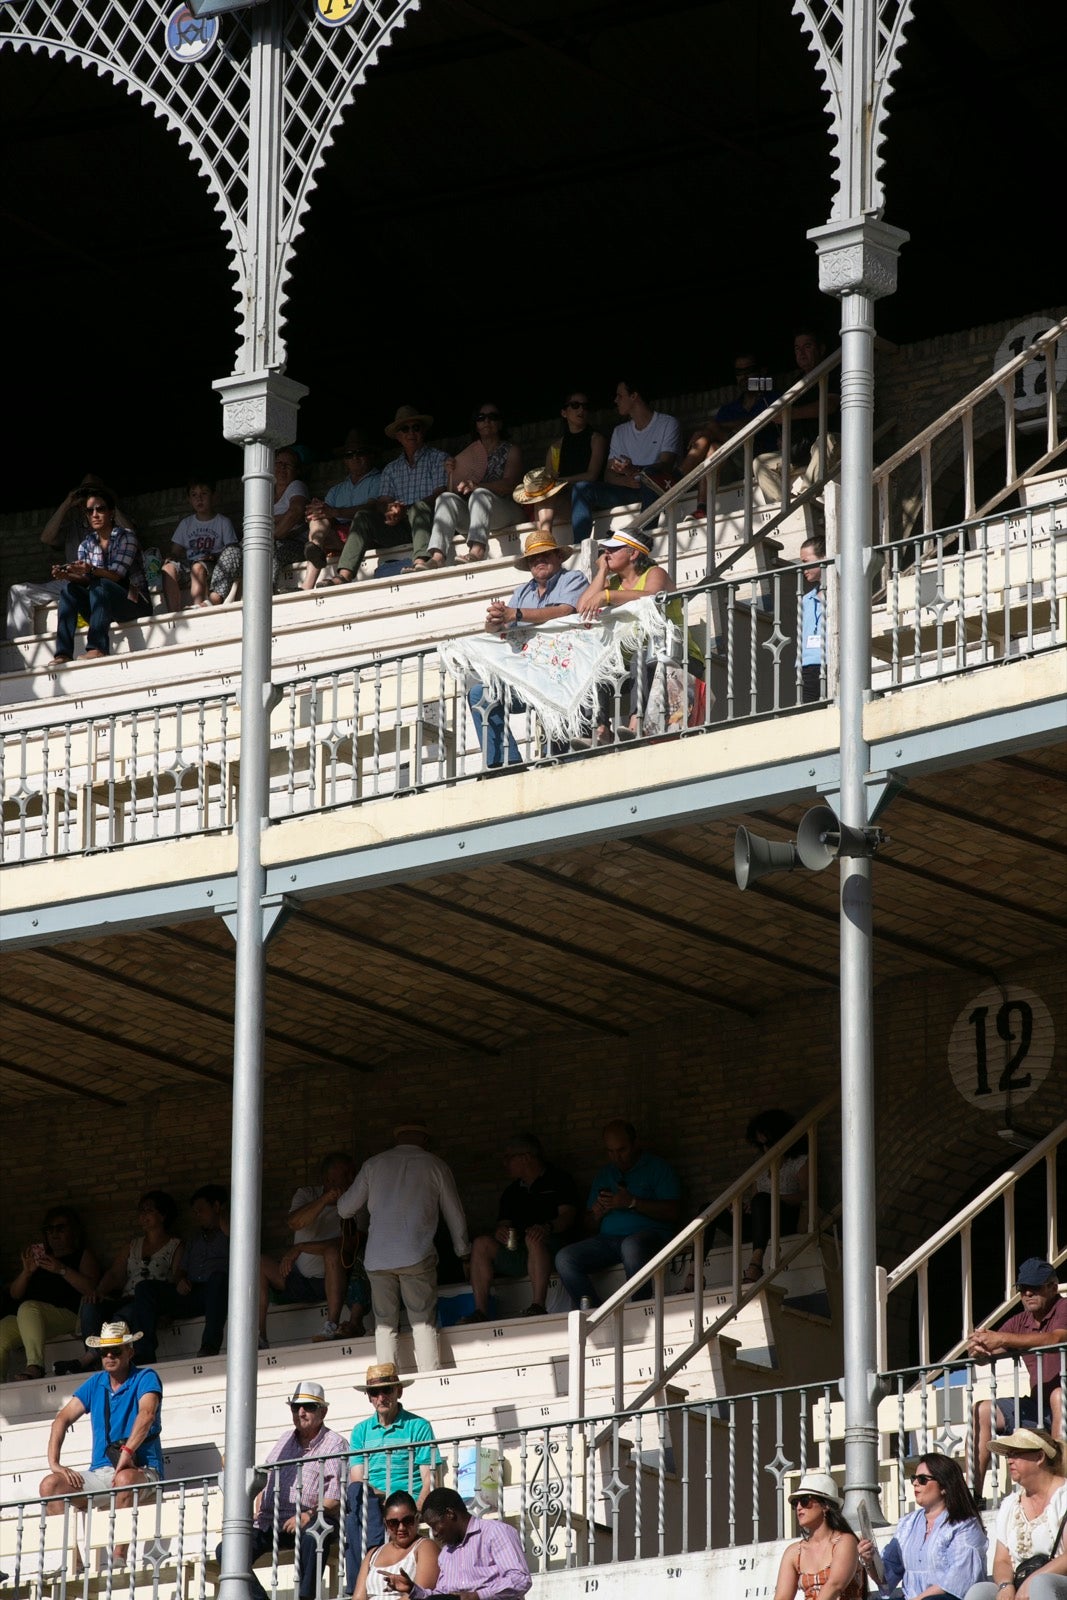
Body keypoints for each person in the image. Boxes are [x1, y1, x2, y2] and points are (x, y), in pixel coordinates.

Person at [337, 1124, 470, 1373]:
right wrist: (463, 1252)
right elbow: (455, 1214)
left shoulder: (373, 1165)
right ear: (424, 1139)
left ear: (397, 1138)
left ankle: (387, 1384)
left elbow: (344, 1208)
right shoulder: (435, 1165)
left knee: (385, 1325)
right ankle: (430, 1377)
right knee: (422, 1322)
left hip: (378, 1259)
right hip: (416, 1255)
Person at [465, 528, 589, 769]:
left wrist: (516, 613)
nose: (538, 561)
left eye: (544, 556)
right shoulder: (522, 592)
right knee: (479, 694)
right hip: (528, 673)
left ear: (559, 557)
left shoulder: (573, 579)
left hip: (563, 671)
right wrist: (493, 622)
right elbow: (504, 625)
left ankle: (558, 757)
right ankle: (504, 764)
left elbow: (565, 611)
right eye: (533, 558)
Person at [216, 1380, 346, 1600]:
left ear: (323, 1412)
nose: (301, 1412)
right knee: (226, 1550)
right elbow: (266, 1476)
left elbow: (336, 1497)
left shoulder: (335, 1444)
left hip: (313, 1519)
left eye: (309, 1407)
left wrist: (307, 1515)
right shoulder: (286, 1438)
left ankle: (306, 1598)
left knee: (314, 1534)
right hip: (271, 1521)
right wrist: (259, 1504)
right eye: (296, 1407)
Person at [576, 526, 704, 745]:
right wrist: (602, 574)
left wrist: (608, 595)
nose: (607, 554)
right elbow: (582, 607)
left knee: (640, 656)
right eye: (606, 550)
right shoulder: (613, 583)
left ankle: (636, 723)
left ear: (633, 553)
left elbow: (650, 595)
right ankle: (600, 730)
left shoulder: (655, 573)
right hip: (633, 665)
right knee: (595, 667)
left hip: (675, 656)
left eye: (614, 549)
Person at [38, 1320, 163, 1515]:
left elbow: (146, 1415)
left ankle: (117, 1548)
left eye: (116, 1350)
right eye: (105, 1352)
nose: (109, 1356)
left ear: (130, 1352)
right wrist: (55, 1464)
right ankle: (64, 1547)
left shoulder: (146, 1376)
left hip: (143, 1469)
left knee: (124, 1480)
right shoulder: (95, 1382)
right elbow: (61, 1419)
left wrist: (127, 1453)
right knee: (50, 1485)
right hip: (100, 1473)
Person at [555, 1119, 681, 1310]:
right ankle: (597, 1313)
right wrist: (596, 1214)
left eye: (622, 1150)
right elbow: (589, 1225)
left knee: (631, 1246)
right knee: (564, 1257)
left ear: (635, 1144)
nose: (616, 1157)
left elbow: (674, 1212)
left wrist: (632, 1202)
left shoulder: (657, 1167)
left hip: (648, 1236)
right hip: (608, 1240)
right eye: (610, 1151)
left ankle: (639, 1310)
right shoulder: (605, 1174)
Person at [968, 1260, 1066, 1500]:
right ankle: (971, 1498)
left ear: (1053, 1287)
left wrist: (1000, 1339)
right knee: (982, 1410)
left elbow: (1055, 1338)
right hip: (1038, 1408)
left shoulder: (1064, 1307)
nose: (1028, 1293)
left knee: (1058, 1396)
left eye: (1035, 1287)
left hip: (1062, 1402)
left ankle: (1059, 1488)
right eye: (1023, 1289)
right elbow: (992, 1349)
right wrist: (979, 1350)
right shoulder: (1020, 1321)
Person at [57, 1190, 182, 1375]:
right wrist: (98, 1292)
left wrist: (168, 1312)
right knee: (91, 1306)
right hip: (125, 1299)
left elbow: (177, 1277)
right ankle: (94, 1360)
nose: (143, 1215)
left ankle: (90, 1358)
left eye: (149, 1210)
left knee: (122, 1316)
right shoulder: (133, 1245)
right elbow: (115, 1274)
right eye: (141, 1211)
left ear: (163, 1215)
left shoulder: (176, 1245)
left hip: (149, 1303)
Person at [461, 1134, 580, 1322]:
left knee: (533, 1238)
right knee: (481, 1243)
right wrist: (500, 1232)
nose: (505, 1163)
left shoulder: (559, 1179)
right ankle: (480, 1312)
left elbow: (568, 1216)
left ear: (526, 1157)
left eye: (509, 1158)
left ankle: (538, 1305)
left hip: (552, 1246)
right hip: (519, 1251)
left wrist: (547, 1227)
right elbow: (504, 1223)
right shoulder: (512, 1192)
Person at [343, 1360, 438, 1589]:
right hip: (374, 1501)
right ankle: (373, 1555)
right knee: (355, 1497)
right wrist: (381, 1495)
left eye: (386, 1390)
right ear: (369, 1397)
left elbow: (430, 1478)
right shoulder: (360, 1431)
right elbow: (358, 1479)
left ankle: (362, 1577)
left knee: (353, 1517)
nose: (381, 1397)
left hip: (406, 1501)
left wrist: (416, 1507)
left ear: (399, 1391)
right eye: (374, 1392)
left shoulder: (419, 1426)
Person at [6, 473, 135, 641]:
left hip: (103, 581)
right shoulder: (72, 527)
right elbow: (46, 538)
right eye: (85, 494)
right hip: (72, 580)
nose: (90, 499)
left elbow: (132, 533)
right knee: (18, 592)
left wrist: (107, 503)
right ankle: (21, 650)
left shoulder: (115, 526)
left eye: (94, 493)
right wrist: (68, 503)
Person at [329, 406, 449, 582]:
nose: (410, 433)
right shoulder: (391, 469)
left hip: (430, 524)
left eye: (415, 427)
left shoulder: (439, 458)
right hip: (398, 528)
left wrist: (405, 510)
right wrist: (391, 511)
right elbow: (383, 502)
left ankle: (420, 561)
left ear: (423, 431)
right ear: (398, 436)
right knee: (363, 516)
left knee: (420, 507)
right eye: (404, 429)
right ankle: (344, 574)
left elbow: (440, 494)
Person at [858, 1453, 987, 1600]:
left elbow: (958, 1581)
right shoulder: (908, 1523)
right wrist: (869, 1561)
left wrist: (918, 1599)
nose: (915, 1483)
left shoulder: (964, 1525)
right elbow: (886, 1577)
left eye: (922, 1479)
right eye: (914, 1478)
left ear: (944, 1486)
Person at [569, 379, 681, 548]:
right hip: (629, 489)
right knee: (581, 489)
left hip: (657, 489)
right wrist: (625, 480)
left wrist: (633, 470)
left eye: (620, 396)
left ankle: (642, 538)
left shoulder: (667, 423)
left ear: (634, 396)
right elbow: (608, 474)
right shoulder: (620, 432)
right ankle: (579, 547)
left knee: (651, 474)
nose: (615, 400)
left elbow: (666, 465)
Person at [259, 1153, 356, 1346]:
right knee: (256, 1262)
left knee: (331, 1252)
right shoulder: (307, 1194)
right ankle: (259, 1336)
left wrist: (301, 1247)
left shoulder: (356, 1200)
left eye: (344, 1177)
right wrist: (325, 1199)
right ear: (325, 1179)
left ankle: (331, 1325)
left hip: (332, 1282)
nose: (336, 1183)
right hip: (299, 1279)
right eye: (331, 1178)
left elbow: (347, 1242)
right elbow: (294, 1223)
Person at [963, 1428, 1067, 1600]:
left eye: (1016, 1454)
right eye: (1008, 1456)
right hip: (1023, 1581)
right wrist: (1006, 1585)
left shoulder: (1063, 1497)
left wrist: (1032, 1581)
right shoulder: (1010, 1504)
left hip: (1057, 1583)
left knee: (1041, 1585)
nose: (1009, 1461)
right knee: (980, 1592)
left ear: (1040, 1457)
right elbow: (1001, 1560)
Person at [51, 486, 152, 663]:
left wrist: (90, 569)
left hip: (134, 602)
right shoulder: (86, 544)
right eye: (90, 511)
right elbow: (84, 580)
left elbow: (117, 575)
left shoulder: (126, 537)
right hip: (102, 604)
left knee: (101, 584)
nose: (95, 514)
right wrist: (66, 575)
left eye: (100, 509)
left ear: (111, 512)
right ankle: (63, 653)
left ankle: (97, 648)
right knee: (69, 590)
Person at [0, 1206, 100, 1381]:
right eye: (49, 1229)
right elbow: (15, 1294)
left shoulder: (82, 1255)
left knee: (28, 1307)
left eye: (60, 1228)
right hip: (30, 1317)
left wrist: (61, 1269)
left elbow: (91, 1289)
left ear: (73, 1231)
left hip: (67, 1314)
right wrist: (27, 1272)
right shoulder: (41, 1258)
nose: (54, 1234)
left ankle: (35, 1366)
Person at [132, 1183, 230, 1360]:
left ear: (216, 1207)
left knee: (218, 1278)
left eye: (201, 1210)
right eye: (195, 1212)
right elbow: (180, 1271)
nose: (197, 1216)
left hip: (219, 1293)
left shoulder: (233, 1233)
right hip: (193, 1293)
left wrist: (223, 1218)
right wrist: (180, 1281)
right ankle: (143, 1354)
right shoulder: (194, 1240)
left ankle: (209, 1347)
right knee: (144, 1288)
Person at [384, 1485, 532, 1598]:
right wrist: (413, 1590)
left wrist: (479, 1596)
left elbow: (520, 1579)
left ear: (450, 1514)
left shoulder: (495, 1532)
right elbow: (442, 1596)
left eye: (435, 1525)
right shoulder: (446, 1553)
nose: (434, 1533)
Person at [678, 352, 780, 515]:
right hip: (733, 466)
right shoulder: (729, 409)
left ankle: (678, 476)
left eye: (749, 371)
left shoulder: (773, 397)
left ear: (762, 372)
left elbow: (755, 422)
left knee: (712, 430)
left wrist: (710, 428)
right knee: (713, 447)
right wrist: (710, 429)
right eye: (739, 373)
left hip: (762, 458)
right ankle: (702, 509)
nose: (744, 377)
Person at [424, 402, 523, 567]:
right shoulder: (468, 453)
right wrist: (451, 474)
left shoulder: (512, 450)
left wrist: (479, 486)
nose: (487, 421)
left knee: (480, 494)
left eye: (493, 417)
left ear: (500, 423)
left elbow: (511, 484)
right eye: (481, 418)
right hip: (474, 516)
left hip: (506, 510)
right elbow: (453, 492)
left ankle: (477, 551)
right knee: (445, 498)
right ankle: (437, 557)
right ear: (476, 425)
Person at [755, 328, 841, 506]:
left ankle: (806, 498)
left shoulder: (834, 370)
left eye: (807, 346)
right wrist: (785, 436)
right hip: (803, 448)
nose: (801, 353)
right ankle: (785, 506)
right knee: (761, 462)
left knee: (826, 440)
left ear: (821, 349)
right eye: (797, 348)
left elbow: (830, 406)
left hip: (836, 441)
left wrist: (790, 415)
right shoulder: (797, 382)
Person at [301, 427, 383, 590]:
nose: (355, 458)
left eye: (360, 453)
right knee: (318, 517)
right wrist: (315, 511)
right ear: (345, 460)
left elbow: (372, 508)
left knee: (350, 518)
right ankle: (313, 557)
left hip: (365, 533)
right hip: (336, 537)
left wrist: (335, 512)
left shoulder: (379, 479)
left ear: (370, 455)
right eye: (349, 455)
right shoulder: (337, 490)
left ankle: (316, 548)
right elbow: (327, 514)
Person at [773, 1471, 864, 1600]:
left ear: (825, 1505)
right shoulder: (794, 1553)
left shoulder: (845, 1541)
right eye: (796, 1503)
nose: (799, 1507)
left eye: (805, 1501)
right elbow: (782, 1597)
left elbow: (835, 1586)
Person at [533, 390, 608, 534]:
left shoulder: (596, 439)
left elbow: (592, 475)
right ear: (564, 412)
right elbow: (548, 482)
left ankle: (544, 538)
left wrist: (561, 480)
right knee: (542, 495)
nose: (581, 409)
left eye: (585, 406)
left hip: (588, 500)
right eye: (575, 405)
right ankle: (544, 539)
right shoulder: (556, 447)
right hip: (564, 500)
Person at [160, 480, 237, 611]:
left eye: (204, 494)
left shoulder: (223, 522)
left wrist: (213, 557)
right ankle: (174, 614)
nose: (199, 498)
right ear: (189, 499)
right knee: (168, 569)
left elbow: (232, 551)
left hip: (213, 565)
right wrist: (170, 558)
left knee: (197, 567)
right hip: (189, 563)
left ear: (213, 496)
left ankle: (198, 610)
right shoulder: (186, 523)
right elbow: (175, 551)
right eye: (194, 495)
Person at [351, 1488, 439, 1600]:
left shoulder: (425, 1547)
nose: (401, 1528)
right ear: (385, 1524)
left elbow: (419, 1594)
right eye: (393, 1523)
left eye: (407, 1521)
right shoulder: (373, 1555)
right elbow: (358, 1597)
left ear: (417, 1519)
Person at [800, 537, 827, 703]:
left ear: (823, 558)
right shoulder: (806, 599)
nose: (803, 567)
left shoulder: (841, 592)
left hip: (831, 661)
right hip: (808, 666)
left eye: (806, 561)